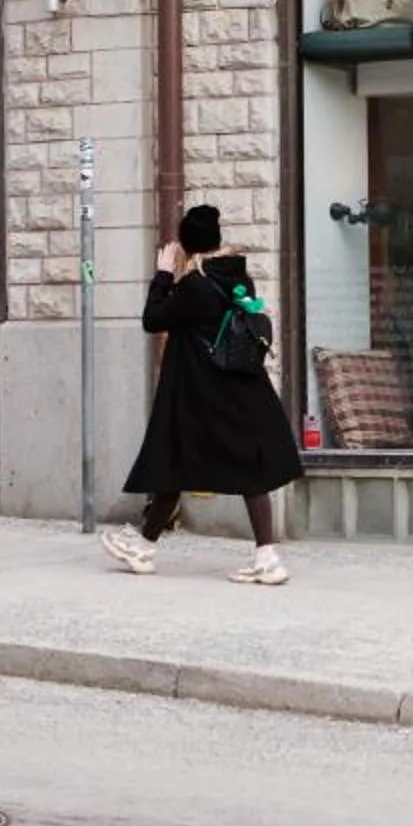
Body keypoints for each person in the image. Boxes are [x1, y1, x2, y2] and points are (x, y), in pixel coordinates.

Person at [105, 204, 304, 585]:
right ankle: (264, 556)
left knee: (173, 459)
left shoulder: (196, 286)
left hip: (199, 390)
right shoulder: (237, 278)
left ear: (187, 244)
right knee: (245, 470)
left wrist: (164, 274)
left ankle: (145, 547)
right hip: (241, 388)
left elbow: (153, 320)